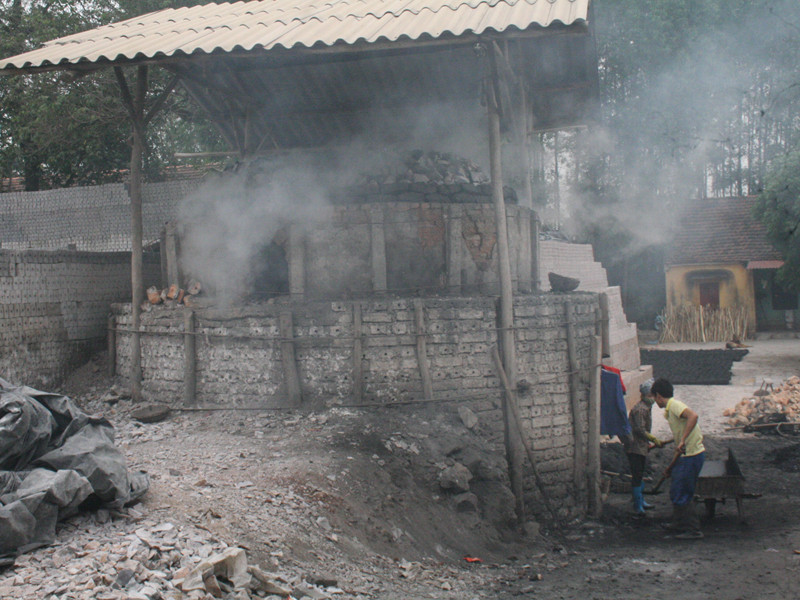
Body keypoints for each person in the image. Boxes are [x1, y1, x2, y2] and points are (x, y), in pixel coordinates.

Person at [651, 377, 705, 539]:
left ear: (659, 396)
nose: (655, 401)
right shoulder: (671, 410)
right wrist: (670, 465)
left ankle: (692, 530)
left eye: (654, 397)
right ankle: (678, 523)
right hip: (687, 456)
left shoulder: (674, 405)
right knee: (676, 489)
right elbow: (680, 440)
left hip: (692, 456)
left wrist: (682, 440)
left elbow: (693, 416)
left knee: (683, 491)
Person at [626, 378, 665, 516]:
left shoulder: (646, 408)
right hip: (635, 447)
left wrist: (648, 442)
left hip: (641, 446)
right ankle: (638, 505)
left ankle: (641, 500)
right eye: (650, 396)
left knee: (640, 473)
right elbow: (640, 430)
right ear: (644, 395)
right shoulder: (640, 410)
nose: (652, 399)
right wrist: (653, 439)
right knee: (637, 475)